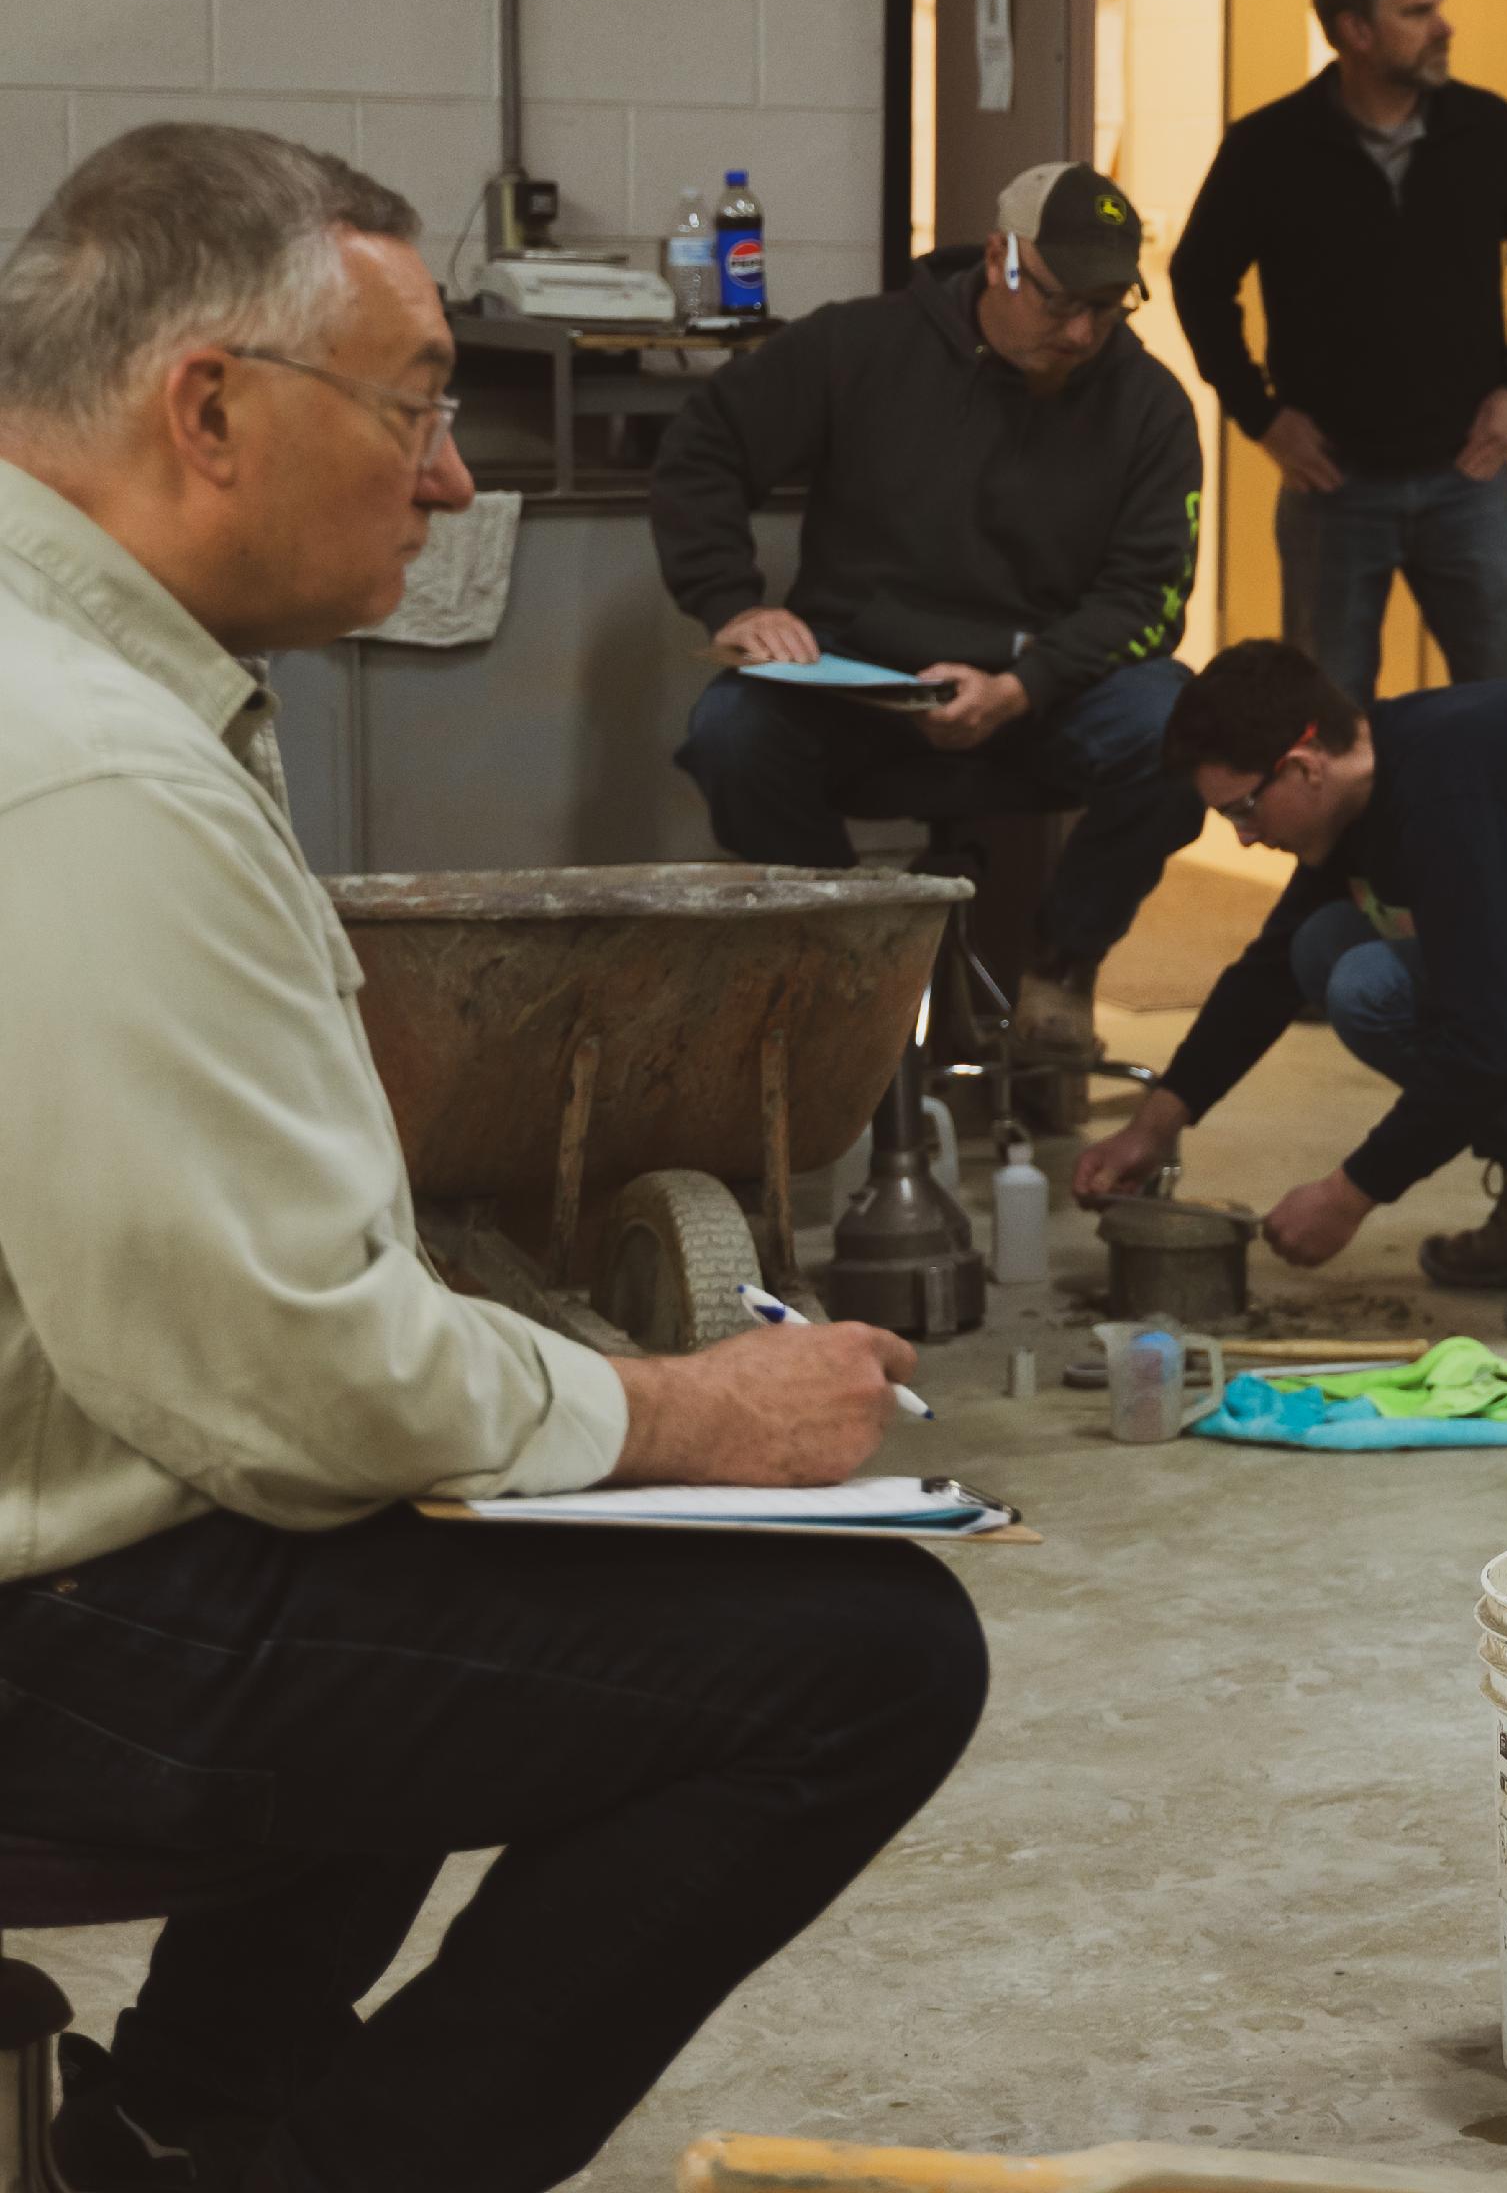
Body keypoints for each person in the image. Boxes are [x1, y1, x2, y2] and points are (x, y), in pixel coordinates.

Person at [0, 123, 987, 2193]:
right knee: (869, 1661)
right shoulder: (84, 770)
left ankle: (179, 2119)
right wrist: (691, 1413)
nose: (451, 481)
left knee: (465, 1514)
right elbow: (291, 1388)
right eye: (417, 408)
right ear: (207, 411)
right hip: (43, 1628)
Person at [1072, 640, 1507, 1342]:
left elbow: (1492, 1043)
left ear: (1303, 767)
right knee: (1320, 945)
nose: (1245, 838)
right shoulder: (1375, 773)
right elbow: (1269, 972)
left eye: (1242, 810)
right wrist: (1154, 1126)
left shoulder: (1450, 794)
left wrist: (1349, 1195)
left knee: (1372, 988)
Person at [656, 160, 1205, 1054]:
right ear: (998, 259)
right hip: (861, 679)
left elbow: (1149, 595)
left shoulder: (1149, 406)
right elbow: (702, 448)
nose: (1081, 333)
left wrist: (1024, 685)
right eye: (1061, 302)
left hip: (1046, 688)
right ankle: (853, 963)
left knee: (1180, 730)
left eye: (1108, 309)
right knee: (731, 735)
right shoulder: (860, 347)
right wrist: (731, 604)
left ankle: (1064, 965)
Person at [1169, 0, 1507, 703]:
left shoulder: (1488, 130)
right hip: (1335, 484)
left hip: (1469, 475)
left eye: (1437, 7)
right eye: (1417, 13)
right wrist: (1260, 415)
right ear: (1354, 30)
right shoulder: (1269, 146)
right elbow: (1198, 280)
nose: (1444, 27)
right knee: (1328, 717)